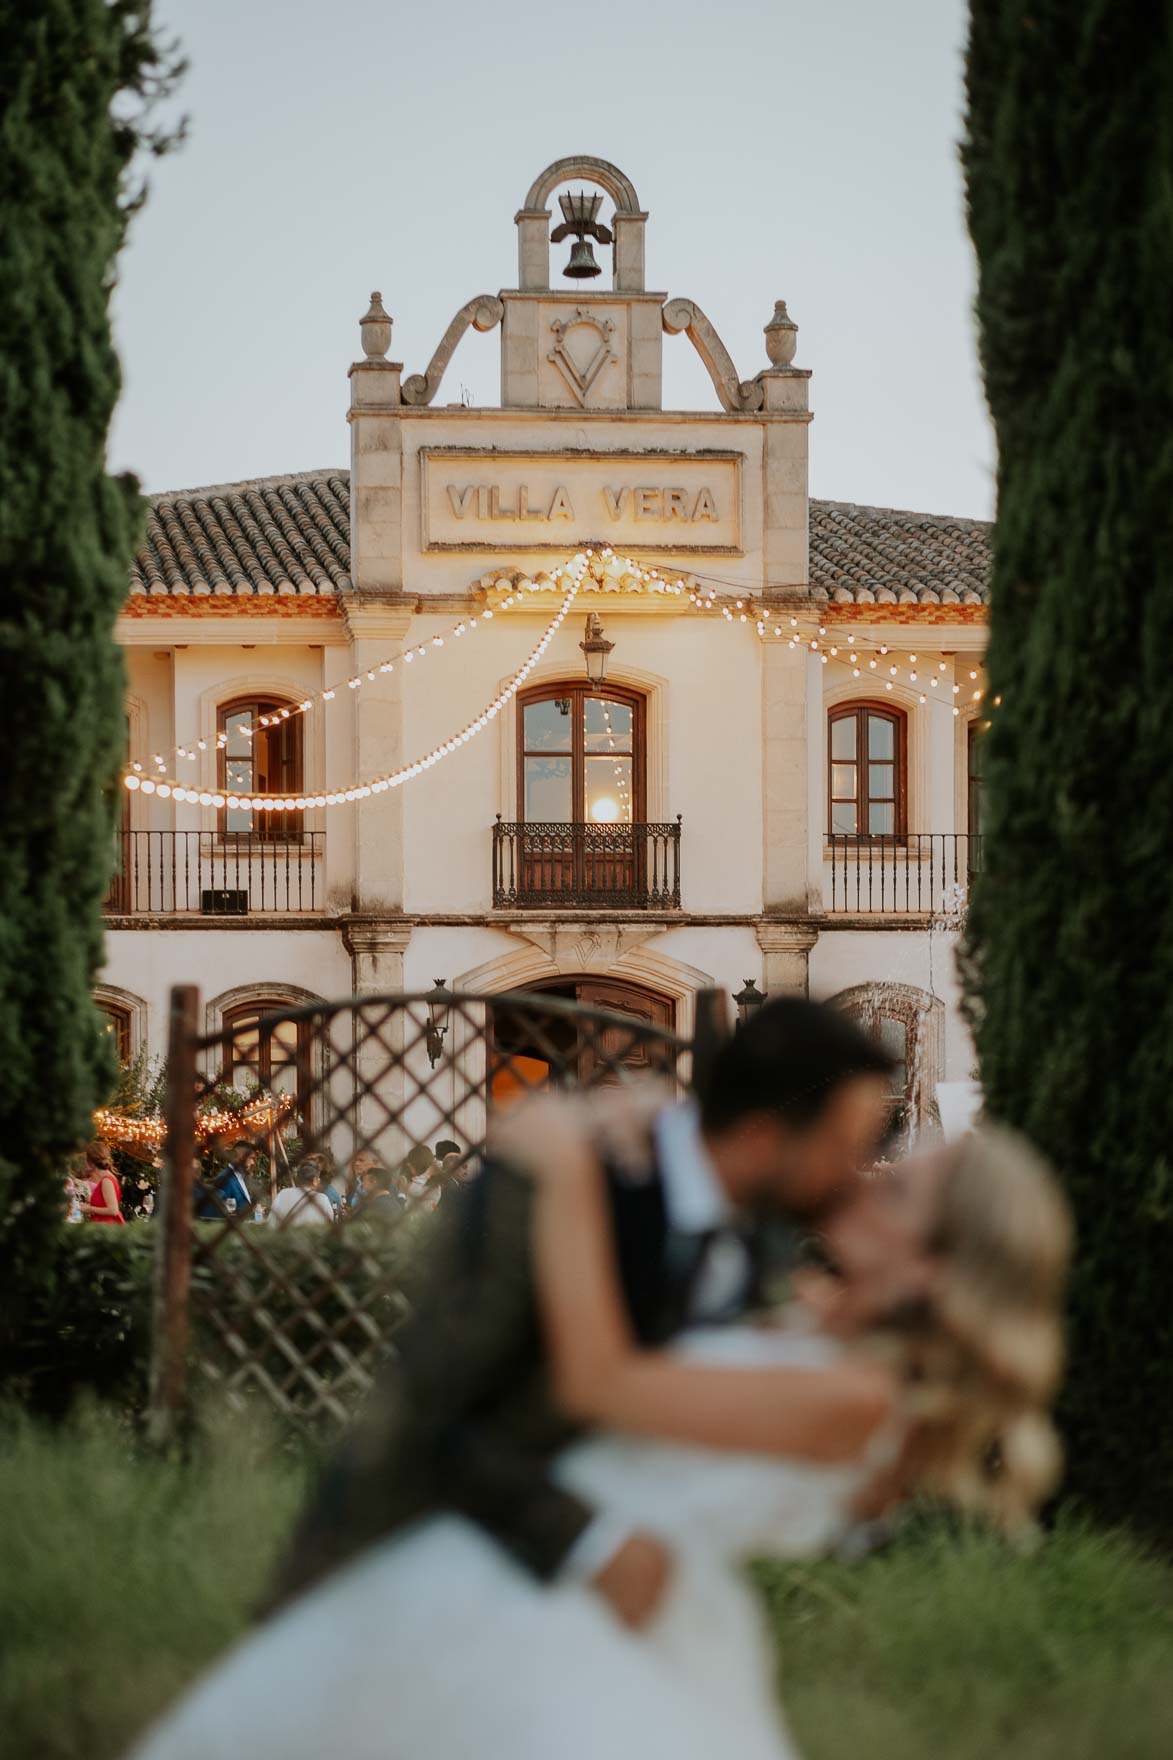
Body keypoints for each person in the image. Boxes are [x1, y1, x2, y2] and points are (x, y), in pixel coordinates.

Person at [124, 1119, 1070, 1760]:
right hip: (545, 1567)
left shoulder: (863, 1400)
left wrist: (567, 1172)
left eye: (896, 1194)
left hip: (584, 1613)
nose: (861, 1193)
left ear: (935, 1267)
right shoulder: (818, 1324)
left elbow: (602, 1380)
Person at [267, 1158, 334, 1229]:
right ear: (314, 1180)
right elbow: (330, 1225)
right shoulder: (322, 1199)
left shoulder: (282, 1194)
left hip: (285, 1238)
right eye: (318, 1180)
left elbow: (271, 1222)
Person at [81, 1141, 125, 1226]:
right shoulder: (106, 1178)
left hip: (105, 1226)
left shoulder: (106, 1180)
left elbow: (113, 1210)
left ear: (90, 1162)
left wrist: (90, 1209)